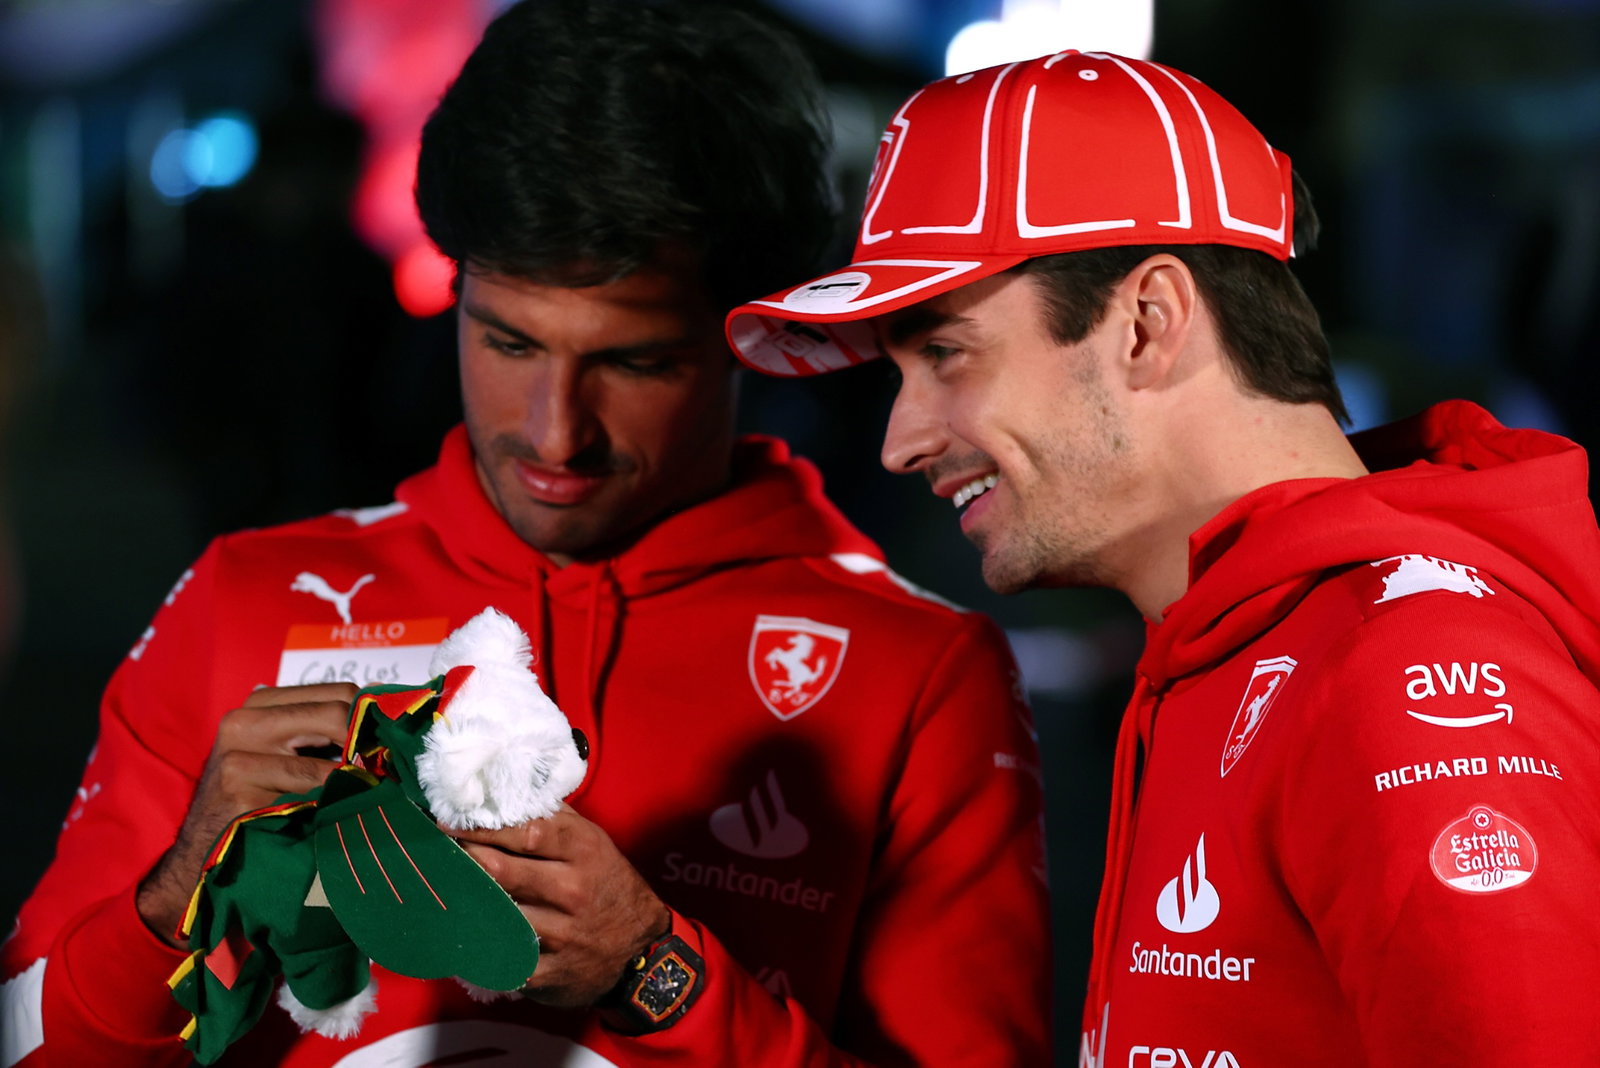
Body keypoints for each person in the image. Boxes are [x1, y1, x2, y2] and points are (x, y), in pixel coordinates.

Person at [0, 4, 1051, 1065]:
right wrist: (176, 896)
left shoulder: (919, 675)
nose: (555, 432)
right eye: (508, 342)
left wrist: (656, 975)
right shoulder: (245, 599)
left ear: (753, 336)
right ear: (451, 293)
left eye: (634, 362)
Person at [724, 49, 1600, 1066]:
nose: (901, 441)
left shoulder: (1407, 672)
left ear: (1147, 322)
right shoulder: (1233, 642)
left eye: (946, 353)